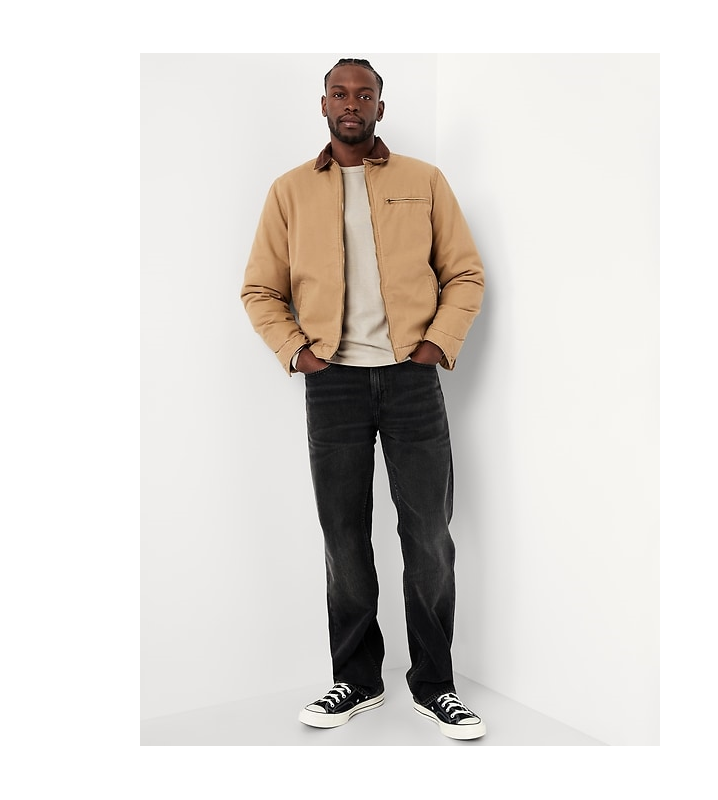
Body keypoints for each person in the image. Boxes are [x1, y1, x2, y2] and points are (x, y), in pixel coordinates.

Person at [241, 57, 486, 741]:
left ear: (381, 104)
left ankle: (435, 685)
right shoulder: (289, 191)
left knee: (429, 537)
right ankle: (358, 678)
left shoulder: (423, 181)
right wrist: (298, 352)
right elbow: (260, 289)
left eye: (365, 93)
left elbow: (465, 272)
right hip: (334, 386)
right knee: (343, 536)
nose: (352, 103)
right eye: (340, 93)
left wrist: (436, 343)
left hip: (412, 380)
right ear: (323, 105)